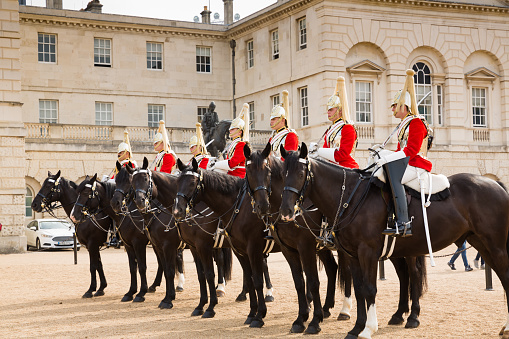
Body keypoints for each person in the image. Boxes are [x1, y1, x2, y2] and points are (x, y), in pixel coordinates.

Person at [376, 69, 433, 237]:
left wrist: (388, 157)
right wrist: (383, 153)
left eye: (395, 105)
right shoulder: (405, 123)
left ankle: (404, 222)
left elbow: (412, 150)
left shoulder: (415, 122)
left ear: (403, 105)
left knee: (395, 179)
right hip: (408, 162)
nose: (393, 109)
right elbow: (400, 150)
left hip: (416, 163)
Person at [312, 76, 359, 169]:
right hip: (332, 167)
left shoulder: (347, 128)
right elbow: (326, 150)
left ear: (340, 110)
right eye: (328, 110)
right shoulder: (330, 129)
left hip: (347, 168)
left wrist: (319, 151)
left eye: (331, 110)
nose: (328, 112)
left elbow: (342, 154)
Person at [210, 103, 250, 178]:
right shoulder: (233, 144)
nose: (230, 131)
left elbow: (233, 163)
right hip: (231, 174)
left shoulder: (241, 144)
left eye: (233, 129)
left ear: (240, 132)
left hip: (238, 176)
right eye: (230, 129)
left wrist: (216, 164)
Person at [268, 90, 298, 158]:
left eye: (274, 119)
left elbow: (289, 157)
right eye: (271, 119)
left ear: (282, 120)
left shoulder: (291, 135)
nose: (271, 121)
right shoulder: (272, 138)